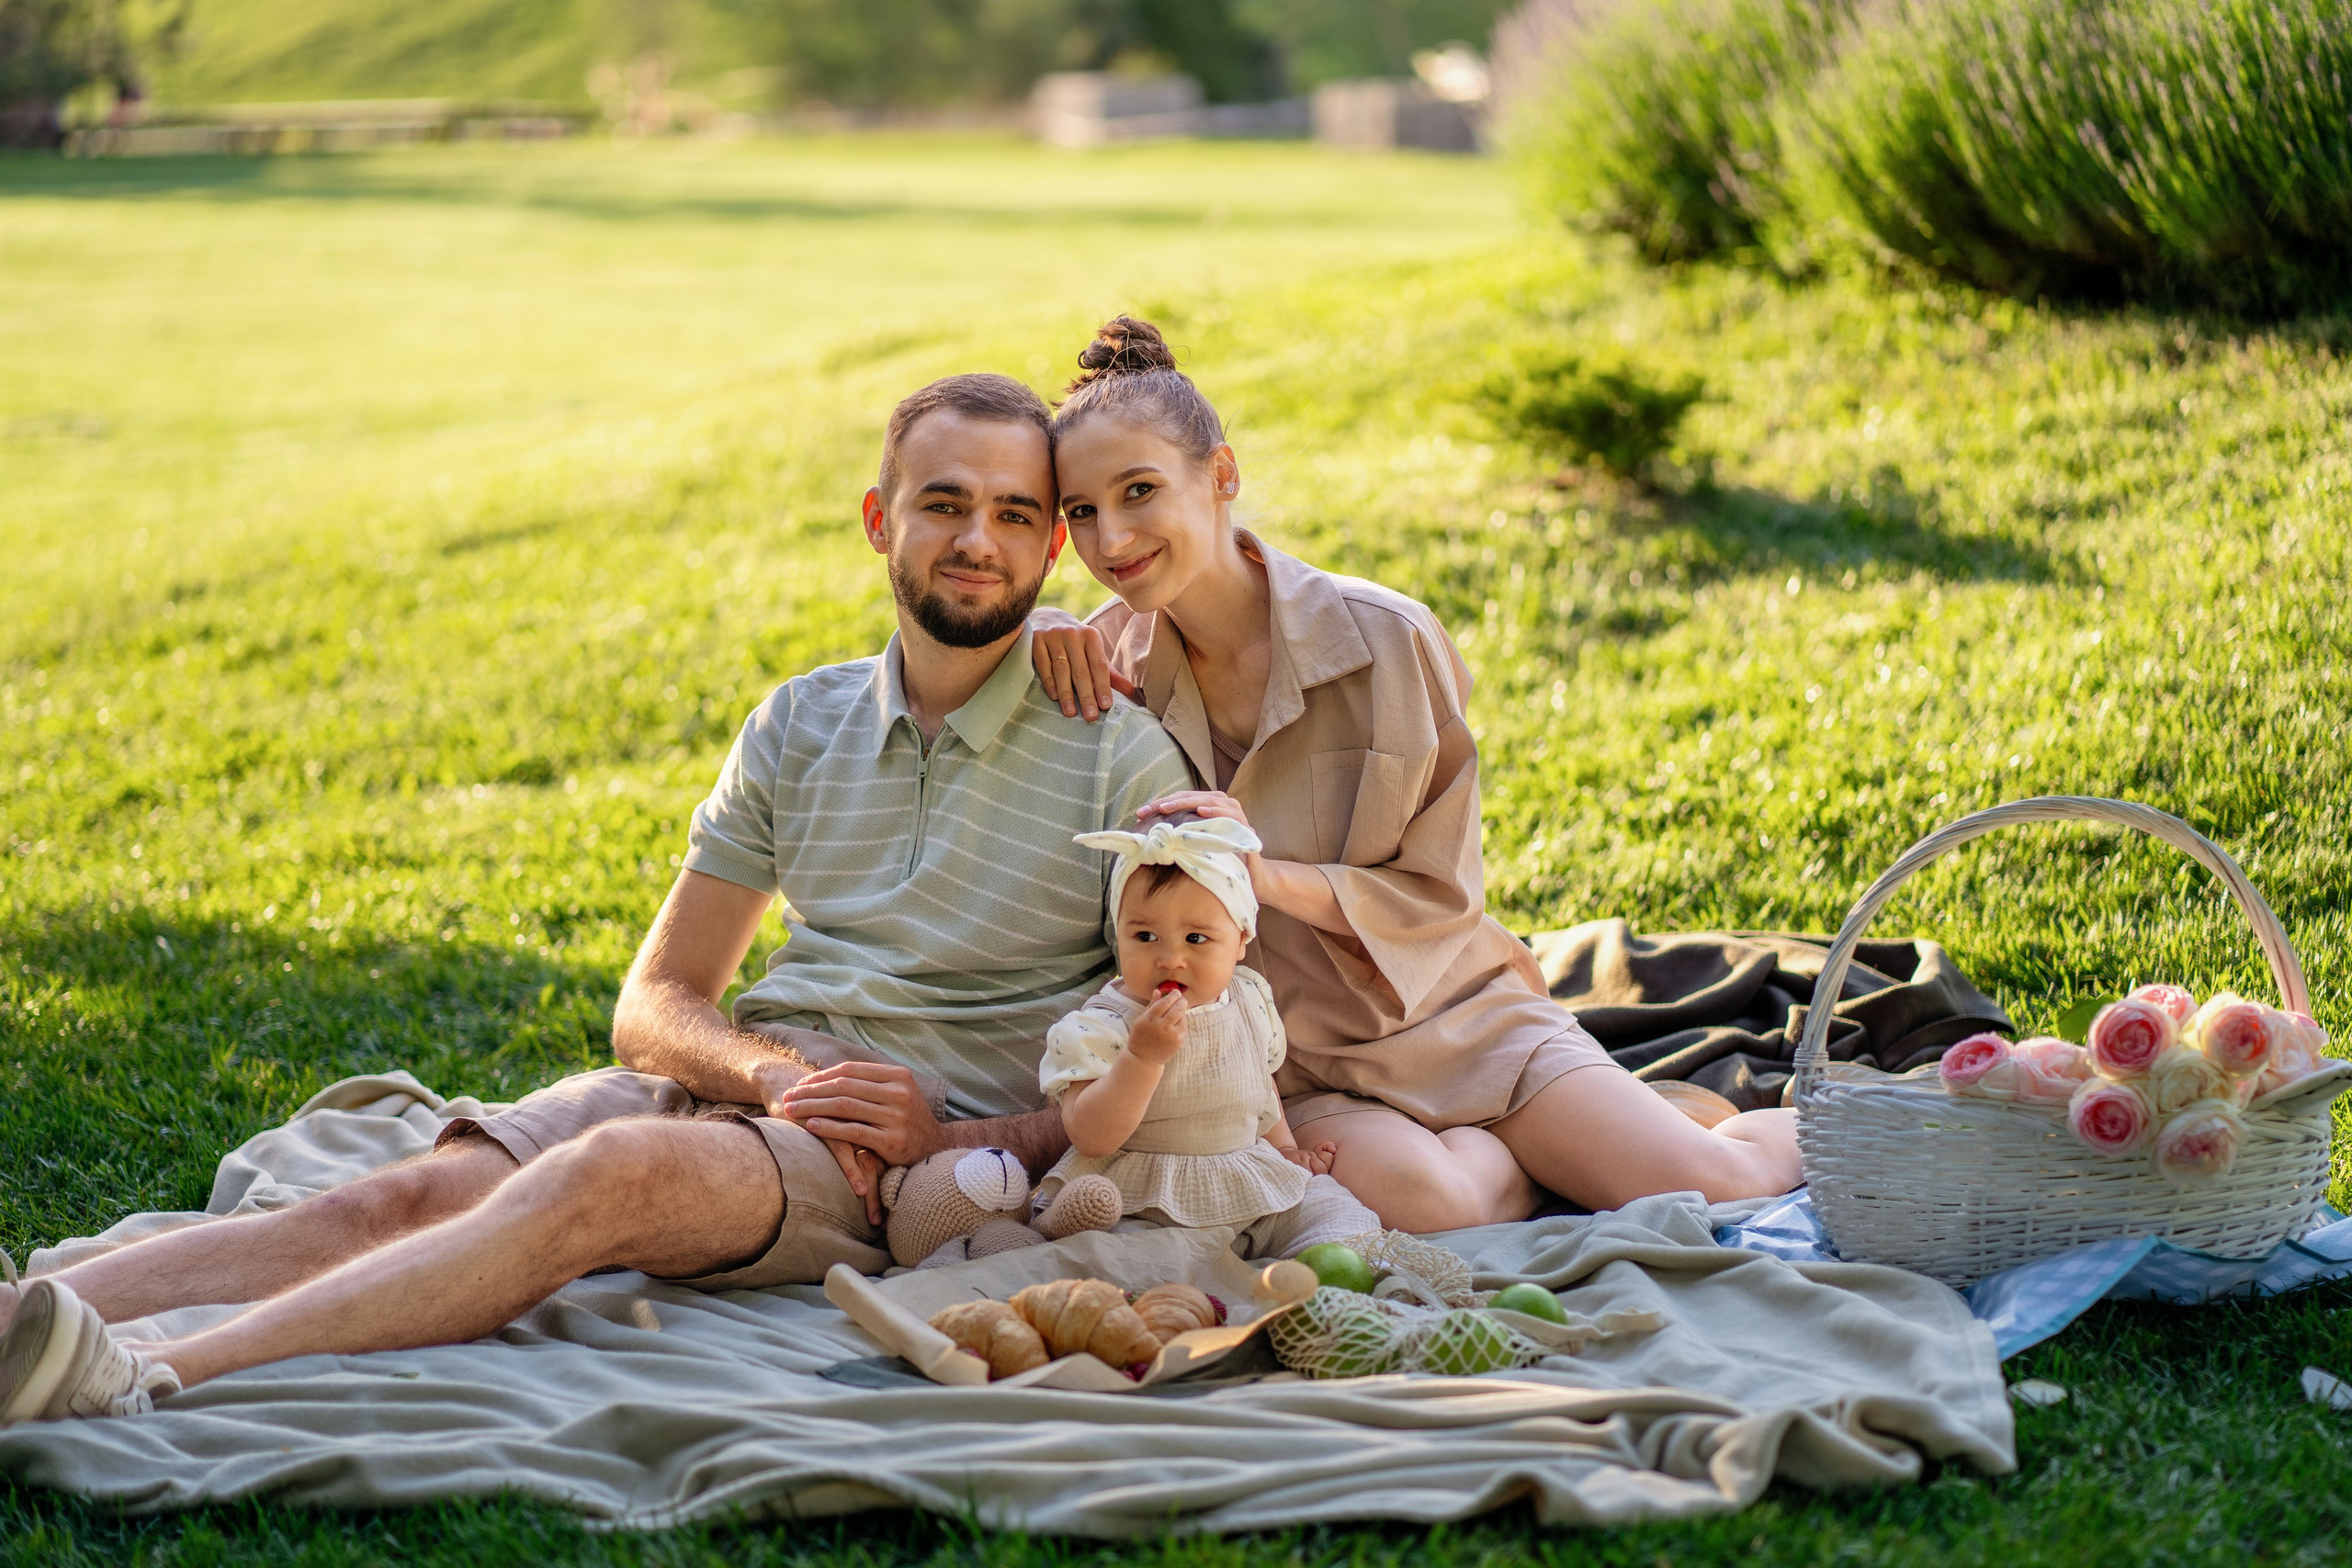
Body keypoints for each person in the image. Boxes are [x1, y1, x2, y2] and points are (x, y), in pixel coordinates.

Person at [0, 372, 1194, 1426]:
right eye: (945, 502)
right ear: (882, 520)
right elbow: (660, 997)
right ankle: (27, 1316)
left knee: (608, 1172)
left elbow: (1177, 1057)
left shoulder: (1119, 757)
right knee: (414, 1186)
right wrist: (771, 1072)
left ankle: (150, 1373)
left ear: (1050, 552)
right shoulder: (800, 718)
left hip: (889, 1148)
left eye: (1015, 514)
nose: (977, 538)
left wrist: (953, 1139)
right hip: (749, 1079)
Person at [1030, 317, 1803, 1233]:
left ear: (1222, 476)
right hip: (1294, 1061)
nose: (1109, 537)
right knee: (1428, 1206)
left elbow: (1441, 895)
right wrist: (1028, 634)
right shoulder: (1104, 660)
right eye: (1080, 511)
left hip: (1458, 1018)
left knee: (1709, 1185)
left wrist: (1262, 875)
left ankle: (1862, 1112)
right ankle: (1558, 1153)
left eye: (1139, 491)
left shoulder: (1386, 638)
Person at [1038, 813, 1376, 1259]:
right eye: (1145, 935)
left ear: (1240, 941)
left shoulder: (1249, 997)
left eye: (1196, 938)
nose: (1170, 958)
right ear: (1118, 936)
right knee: (1120, 1256)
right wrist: (1142, 1058)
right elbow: (1090, 1136)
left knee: (1340, 1216)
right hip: (1147, 1197)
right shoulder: (1102, 1026)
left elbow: (1258, 1083)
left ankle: (1342, 1279)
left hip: (1246, 1179)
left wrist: (1287, 1148)